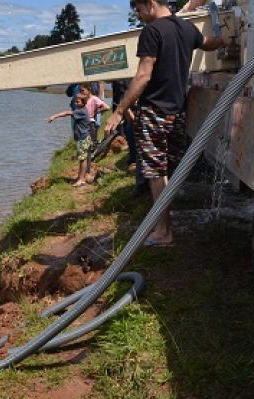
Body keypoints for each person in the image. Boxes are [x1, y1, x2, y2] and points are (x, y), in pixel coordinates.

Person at [104, 0, 225, 246]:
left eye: (137, 9)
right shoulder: (187, 28)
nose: (138, 15)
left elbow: (143, 75)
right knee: (167, 170)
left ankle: (163, 232)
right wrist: (224, 40)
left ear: (149, 4)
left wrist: (119, 111)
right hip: (177, 113)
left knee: (155, 173)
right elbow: (208, 44)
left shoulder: (152, 31)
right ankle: (164, 224)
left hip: (154, 112)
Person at [46, 94, 94, 187]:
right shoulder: (81, 110)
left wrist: (55, 116)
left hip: (83, 138)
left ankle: (82, 179)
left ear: (83, 102)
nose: (76, 103)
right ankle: (80, 177)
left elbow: (67, 113)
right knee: (81, 159)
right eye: (75, 101)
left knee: (82, 159)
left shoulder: (81, 111)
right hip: (83, 137)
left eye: (78, 101)